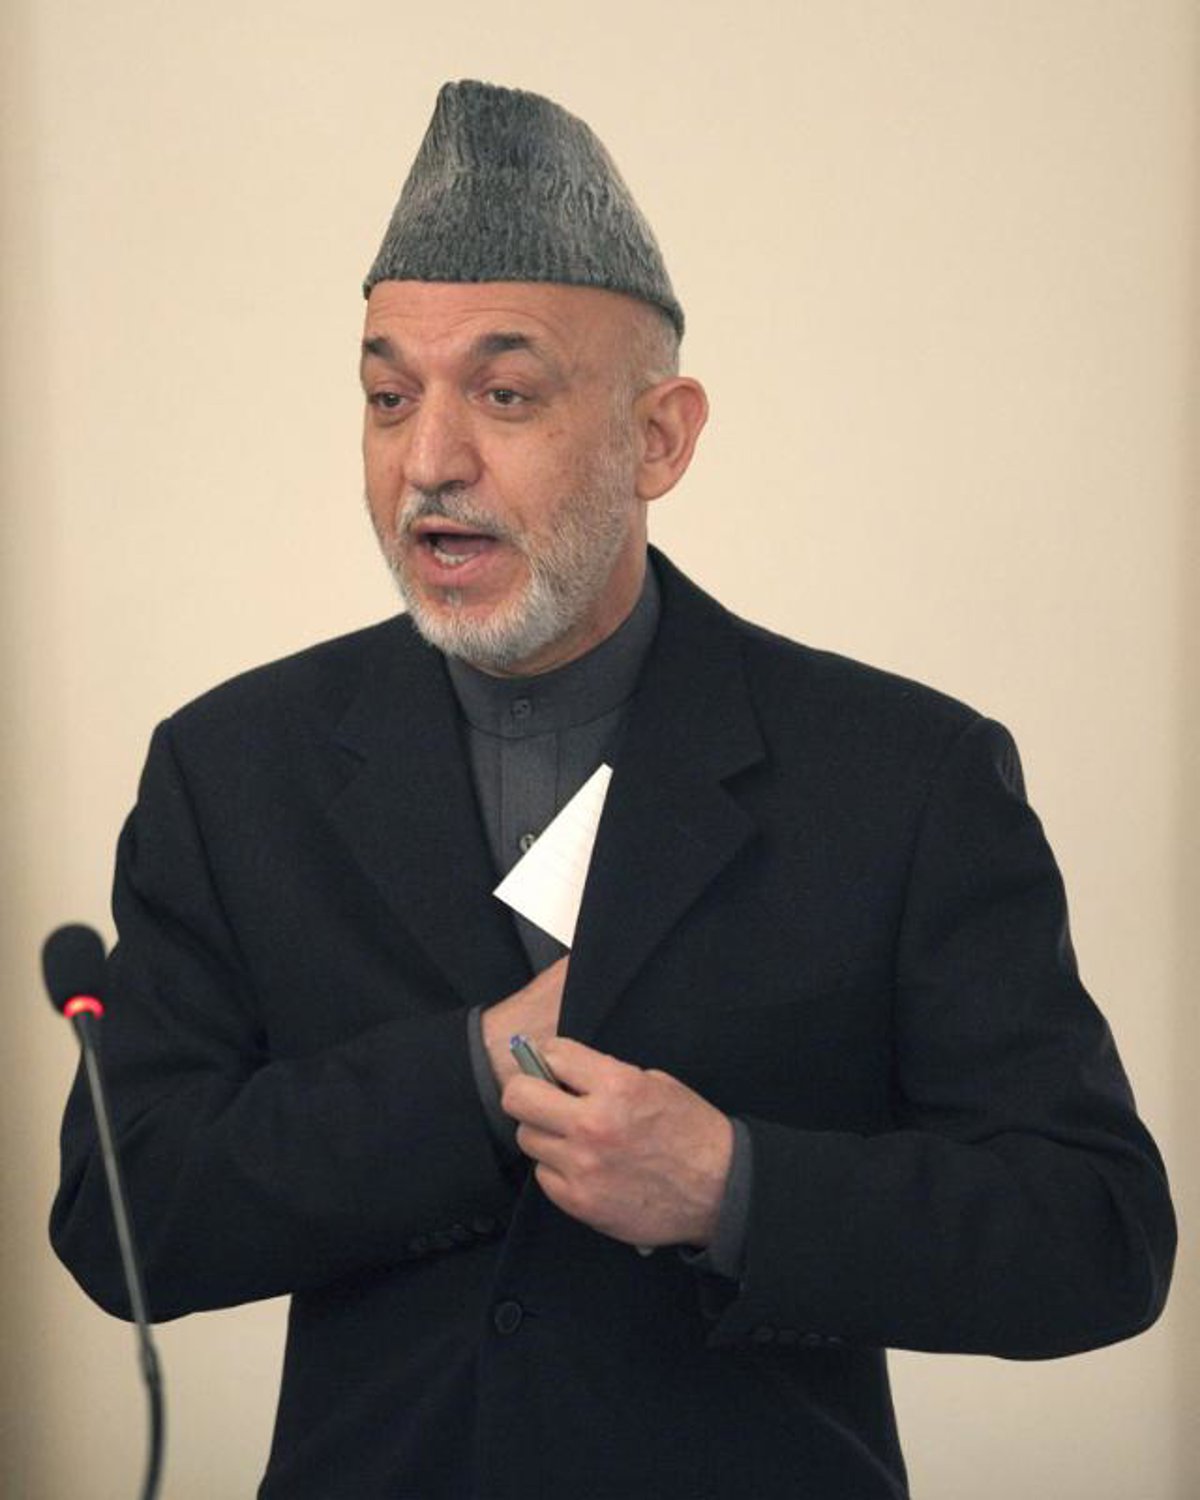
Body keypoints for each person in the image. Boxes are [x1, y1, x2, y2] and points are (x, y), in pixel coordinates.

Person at [51, 80, 1175, 1500]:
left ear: (660, 438)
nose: (429, 461)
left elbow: (1096, 1232)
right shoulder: (233, 769)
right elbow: (125, 1217)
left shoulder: (901, 775)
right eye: (389, 397)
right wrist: (468, 1077)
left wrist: (734, 1189)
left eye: (505, 395)